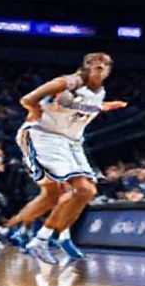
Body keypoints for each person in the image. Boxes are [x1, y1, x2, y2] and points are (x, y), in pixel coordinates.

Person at [16, 52, 127, 264]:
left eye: (104, 64)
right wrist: (36, 113)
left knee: (86, 191)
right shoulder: (69, 83)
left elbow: (89, 107)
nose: (100, 66)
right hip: (47, 137)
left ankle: (49, 237)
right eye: (94, 63)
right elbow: (30, 100)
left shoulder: (99, 92)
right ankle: (34, 235)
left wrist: (108, 106)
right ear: (86, 66)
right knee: (69, 191)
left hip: (71, 141)